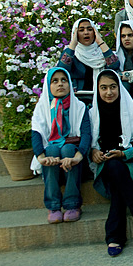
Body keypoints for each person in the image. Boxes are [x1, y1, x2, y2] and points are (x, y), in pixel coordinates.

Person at [89, 70, 133, 257]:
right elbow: (88, 143)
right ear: (97, 89)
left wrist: (124, 153)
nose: (108, 92)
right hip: (105, 164)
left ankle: (114, 236)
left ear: (119, 87)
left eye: (113, 87)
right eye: (103, 88)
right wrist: (93, 151)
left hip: (130, 162)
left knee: (117, 168)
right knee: (113, 166)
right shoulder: (91, 113)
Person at [31, 67, 91, 223]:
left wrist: (78, 156)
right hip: (52, 159)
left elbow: (86, 134)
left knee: (68, 148)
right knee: (51, 148)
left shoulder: (80, 107)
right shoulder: (42, 107)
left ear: (70, 84)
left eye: (64, 80)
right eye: (55, 81)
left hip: (76, 159)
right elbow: (36, 133)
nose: (60, 84)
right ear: (48, 86)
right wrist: (41, 157)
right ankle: (54, 206)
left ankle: (72, 204)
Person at [57, 18, 119, 94]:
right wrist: (73, 44)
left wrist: (100, 42)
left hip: (102, 96)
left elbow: (114, 65)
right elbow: (61, 70)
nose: (86, 32)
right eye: (81, 30)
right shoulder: (71, 52)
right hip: (78, 97)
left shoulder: (102, 51)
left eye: (89, 29)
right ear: (75, 33)